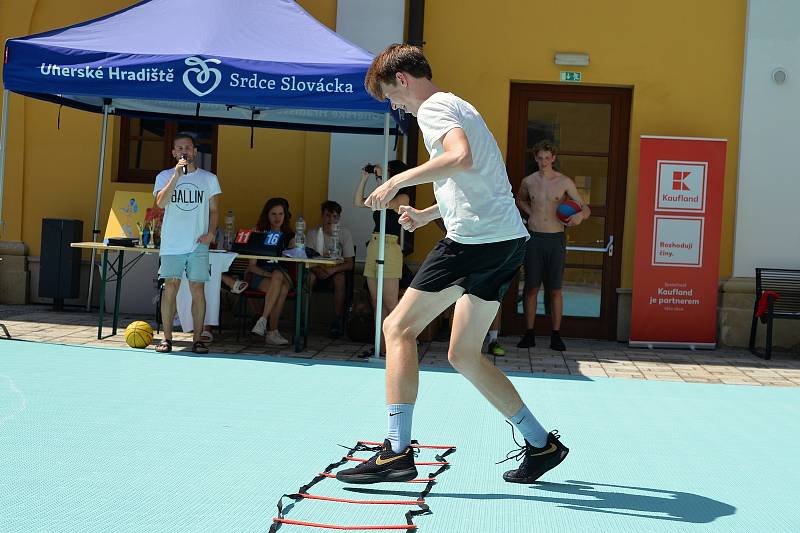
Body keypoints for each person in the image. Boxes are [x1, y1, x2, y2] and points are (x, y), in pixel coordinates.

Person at [335, 44, 569, 486]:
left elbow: (458, 158)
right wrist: (427, 215)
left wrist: (398, 181)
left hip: (473, 246)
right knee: (464, 354)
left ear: (402, 79)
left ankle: (396, 453)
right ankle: (542, 444)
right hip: (506, 243)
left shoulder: (433, 109)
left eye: (390, 96)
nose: (394, 106)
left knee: (397, 329)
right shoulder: (460, 105)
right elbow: (476, 179)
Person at [515, 140, 590, 351]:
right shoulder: (529, 181)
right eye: (540, 158)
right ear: (535, 158)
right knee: (531, 288)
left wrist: (579, 217)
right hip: (534, 237)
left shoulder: (564, 182)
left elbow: (585, 208)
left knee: (555, 289)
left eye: (547, 158)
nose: (543, 162)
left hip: (555, 239)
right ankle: (529, 333)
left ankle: (556, 335)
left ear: (553, 158)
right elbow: (519, 199)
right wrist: (531, 214)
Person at [153, 132, 220, 354]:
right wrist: (176, 177)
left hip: (197, 244)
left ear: (195, 152)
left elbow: (214, 210)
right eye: (180, 148)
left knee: (197, 289)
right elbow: (161, 203)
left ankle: (198, 339)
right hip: (172, 243)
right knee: (170, 288)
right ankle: (167, 339)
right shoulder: (164, 176)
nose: (185, 151)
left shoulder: (208, 179)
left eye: (188, 148)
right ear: (174, 153)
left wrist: (211, 233)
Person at [353, 161, 413, 355]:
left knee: (390, 302)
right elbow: (358, 202)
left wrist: (379, 179)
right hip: (374, 244)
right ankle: (381, 347)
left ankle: (398, 345)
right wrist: (365, 178)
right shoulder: (382, 191)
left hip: (389, 246)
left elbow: (385, 202)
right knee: (375, 301)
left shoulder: (403, 195)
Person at [248, 197, 294, 346]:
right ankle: (272, 332)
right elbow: (252, 266)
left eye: (281, 214)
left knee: (279, 275)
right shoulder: (259, 233)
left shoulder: (289, 236)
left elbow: (292, 262)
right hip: (261, 275)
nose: (277, 218)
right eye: (273, 214)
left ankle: (263, 320)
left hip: (283, 273)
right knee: (281, 287)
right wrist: (270, 275)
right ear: (267, 215)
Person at [307, 201, 356, 337]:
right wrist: (319, 270)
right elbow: (307, 259)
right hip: (317, 271)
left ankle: (337, 319)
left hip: (335, 271)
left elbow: (350, 263)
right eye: (328, 216)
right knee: (308, 278)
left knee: (340, 279)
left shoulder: (344, 234)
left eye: (335, 216)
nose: (331, 220)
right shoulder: (313, 234)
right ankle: (303, 317)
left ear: (339, 218)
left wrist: (332, 271)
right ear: (322, 216)